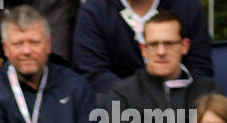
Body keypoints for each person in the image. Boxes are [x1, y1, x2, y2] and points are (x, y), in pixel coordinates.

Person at [103, 11, 218, 123]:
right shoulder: (122, 93)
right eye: (154, 44)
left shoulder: (207, 90)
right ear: (143, 49)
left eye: (169, 43)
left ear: (185, 46)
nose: (161, 51)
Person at [71, 0, 213, 94]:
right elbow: (94, 73)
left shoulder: (187, 7)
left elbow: (199, 67)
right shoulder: (95, 11)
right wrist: (137, 99)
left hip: (181, 106)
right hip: (118, 111)